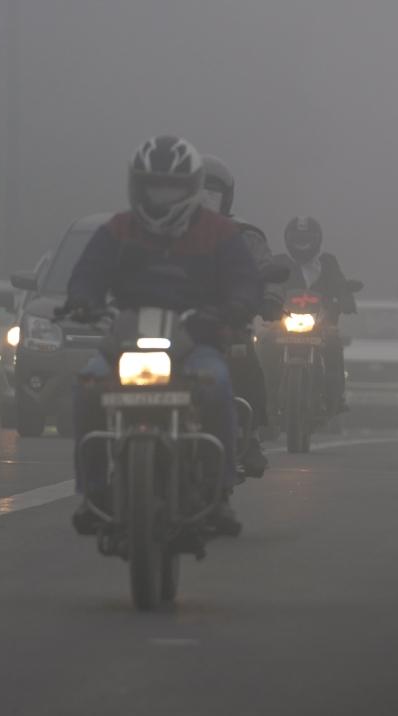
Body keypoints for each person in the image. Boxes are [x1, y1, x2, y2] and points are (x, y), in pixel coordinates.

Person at [66, 135, 259, 536]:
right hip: (124, 338)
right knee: (88, 384)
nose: (162, 195)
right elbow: (88, 272)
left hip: (196, 342)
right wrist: (82, 300)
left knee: (219, 384)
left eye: (171, 186)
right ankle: (93, 492)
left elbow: (244, 277)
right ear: (138, 186)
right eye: (155, 185)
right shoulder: (118, 229)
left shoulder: (219, 233)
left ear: (191, 187)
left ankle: (218, 491)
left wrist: (238, 304)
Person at [199, 154, 275, 478]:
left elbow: (266, 271)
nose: (202, 202)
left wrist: (270, 297)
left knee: (246, 365)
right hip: (173, 326)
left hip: (228, 323)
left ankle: (252, 435)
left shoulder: (245, 234)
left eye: (210, 194)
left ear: (225, 197)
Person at [271, 216, 358, 415]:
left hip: (321, 324)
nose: (302, 241)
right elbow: (267, 283)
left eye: (307, 236)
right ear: (287, 238)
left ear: (318, 238)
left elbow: (339, 283)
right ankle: (264, 397)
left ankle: (335, 397)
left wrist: (346, 296)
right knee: (265, 343)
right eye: (297, 236)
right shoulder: (278, 262)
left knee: (334, 344)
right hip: (283, 322)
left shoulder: (328, 262)